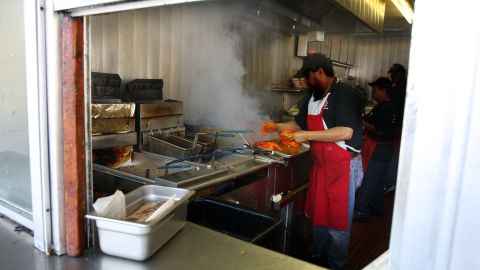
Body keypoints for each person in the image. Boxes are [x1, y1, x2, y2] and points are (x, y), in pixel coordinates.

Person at [265, 53, 364, 269]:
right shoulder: (313, 97)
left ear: (320, 72)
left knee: (337, 222)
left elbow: (346, 132)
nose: (307, 82)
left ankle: (336, 264)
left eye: (309, 77)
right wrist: (274, 126)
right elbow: (298, 124)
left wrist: (307, 136)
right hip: (322, 168)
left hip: (343, 167)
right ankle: (317, 259)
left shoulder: (344, 93)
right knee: (319, 216)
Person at [353, 77, 396, 222]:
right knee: (377, 181)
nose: (373, 92)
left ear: (384, 91)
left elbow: (379, 130)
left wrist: (362, 123)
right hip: (385, 149)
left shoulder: (386, 107)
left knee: (369, 180)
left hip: (379, 148)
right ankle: (376, 207)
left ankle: (361, 210)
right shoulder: (385, 105)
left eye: (375, 90)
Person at [384, 64, 407, 193]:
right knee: (395, 153)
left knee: (394, 153)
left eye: (393, 73)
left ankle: (390, 182)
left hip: (399, 125)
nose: (391, 76)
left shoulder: (400, 88)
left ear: (400, 74)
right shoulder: (400, 85)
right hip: (399, 124)